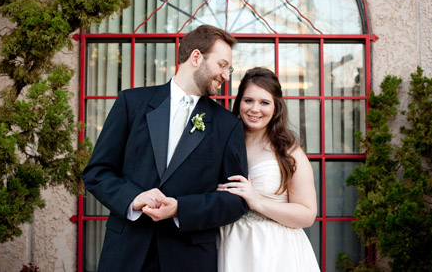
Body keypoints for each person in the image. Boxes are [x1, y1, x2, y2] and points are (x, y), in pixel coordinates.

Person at [82, 25, 249, 272]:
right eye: (222, 65)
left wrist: (181, 209)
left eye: (229, 68)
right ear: (196, 57)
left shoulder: (228, 125)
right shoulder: (131, 103)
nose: (226, 75)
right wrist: (134, 198)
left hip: (188, 259)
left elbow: (236, 201)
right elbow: (97, 172)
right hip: (126, 254)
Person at [217, 67, 320, 272]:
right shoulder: (221, 142)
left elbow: (307, 214)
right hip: (230, 244)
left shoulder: (289, 152)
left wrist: (257, 201)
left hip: (275, 252)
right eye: (248, 100)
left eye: (264, 102)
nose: (255, 109)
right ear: (239, 103)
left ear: (276, 107)